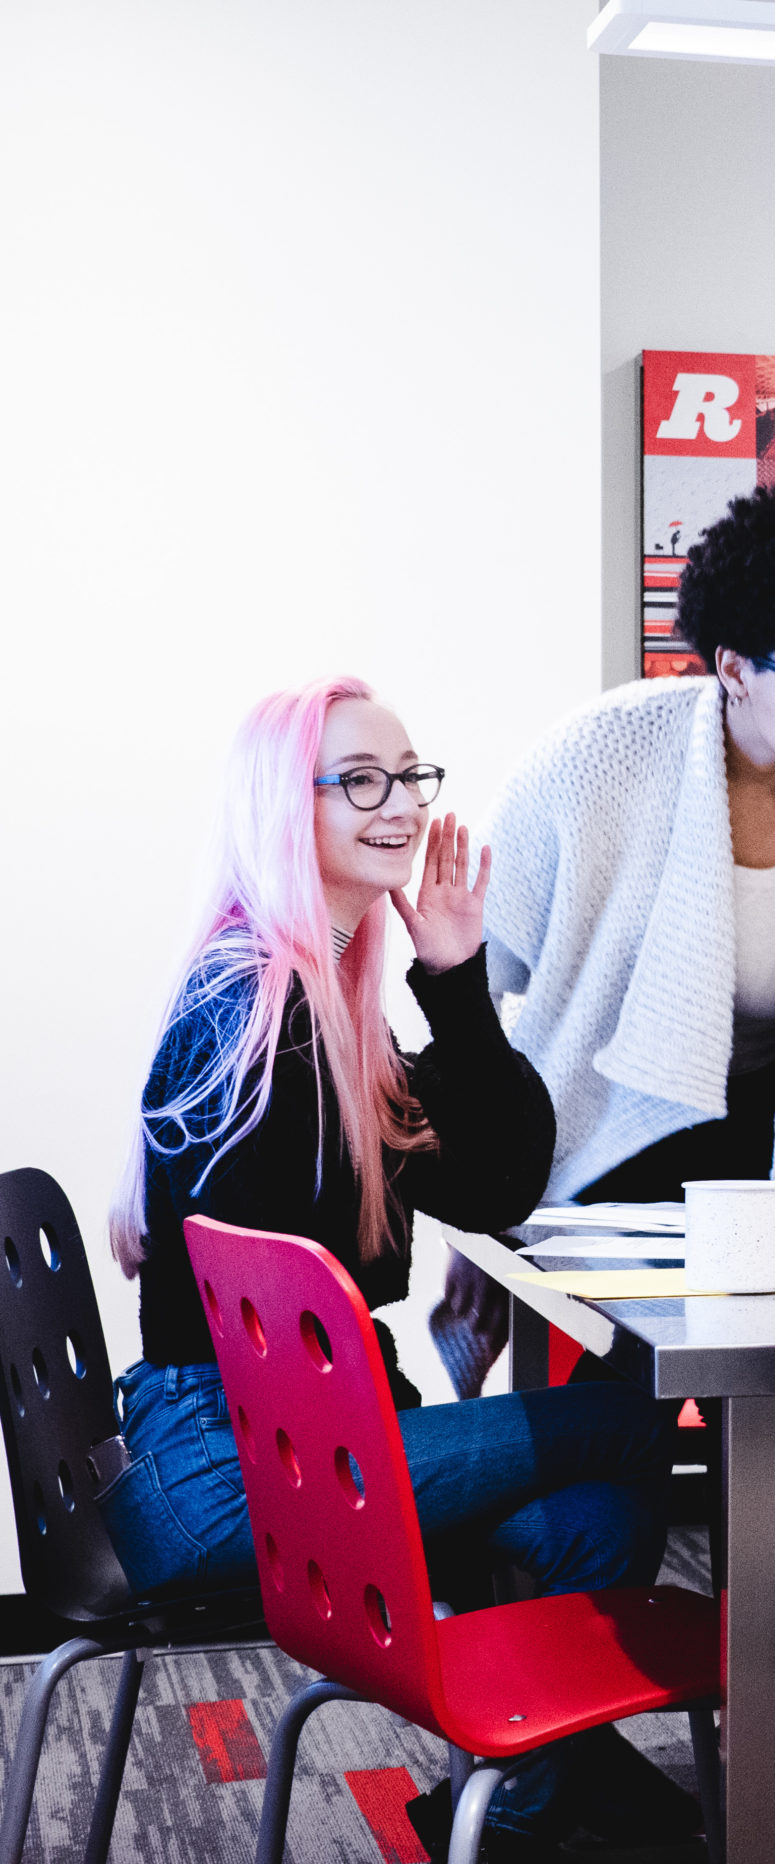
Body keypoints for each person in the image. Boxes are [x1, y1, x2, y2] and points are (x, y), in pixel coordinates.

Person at [101, 676, 689, 1859]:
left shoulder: (322, 1003)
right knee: (630, 1426)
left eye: (410, 775)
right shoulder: (261, 1015)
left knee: (590, 1521)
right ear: (285, 808)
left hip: (282, 1446)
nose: (400, 804)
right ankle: (552, 1799)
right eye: (360, 780)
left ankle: (530, 1795)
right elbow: (297, 1297)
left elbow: (494, 1187)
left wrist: (458, 980)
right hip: (241, 1466)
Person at [470, 482, 775, 1820]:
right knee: (616, 1428)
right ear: (732, 667)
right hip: (618, 1124)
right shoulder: (604, 757)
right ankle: (579, 1711)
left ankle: (755, 1704)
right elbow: (508, 956)